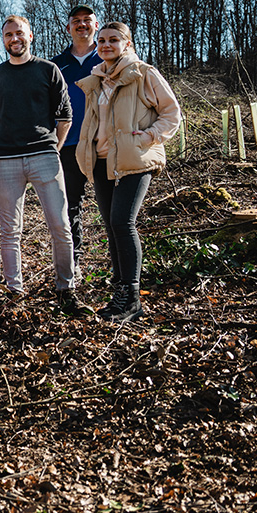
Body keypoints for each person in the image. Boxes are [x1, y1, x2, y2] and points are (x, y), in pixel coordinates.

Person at [0, 16, 89, 315]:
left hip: (45, 156)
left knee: (61, 225)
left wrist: (52, 149)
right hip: (6, 160)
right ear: (3, 39)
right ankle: (14, 293)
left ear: (30, 35)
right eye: (8, 35)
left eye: (19, 33)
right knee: (9, 231)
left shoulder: (48, 70)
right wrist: (5, 147)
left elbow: (65, 114)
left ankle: (66, 289)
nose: (14, 39)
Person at [76, 22, 181, 322]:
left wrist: (147, 136)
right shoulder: (97, 79)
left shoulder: (144, 74)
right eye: (101, 41)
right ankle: (119, 293)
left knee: (123, 222)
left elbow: (172, 113)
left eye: (113, 40)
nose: (106, 45)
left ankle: (132, 298)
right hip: (102, 161)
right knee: (110, 225)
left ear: (127, 44)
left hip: (134, 160)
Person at [51, 6, 101, 269]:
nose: (82, 25)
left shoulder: (108, 58)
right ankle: (74, 263)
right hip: (68, 145)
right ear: (68, 27)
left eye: (87, 21)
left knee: (113, 208)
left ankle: (120, 268)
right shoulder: (55, 65)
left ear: (96, 25)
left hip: (103, 143)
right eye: (76, 21)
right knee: (70, 207)